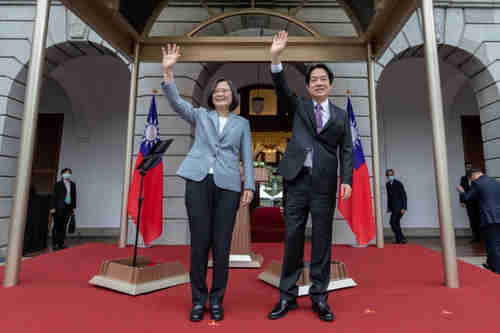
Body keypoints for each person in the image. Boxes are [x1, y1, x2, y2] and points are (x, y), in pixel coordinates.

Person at [161, 44, 255, 322]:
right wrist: (168, 71)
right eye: (217, 91)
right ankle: (198, 300)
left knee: (222, 245)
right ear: (211, 97)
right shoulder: (201, 115)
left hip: (228, 186)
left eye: (225, 90)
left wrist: (249, 184)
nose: (221, 93)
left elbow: (247, 156)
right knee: (200, 243)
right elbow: (177, 104)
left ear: (232, 96)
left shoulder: (242, 124)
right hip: (198, 181)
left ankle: (217, 300)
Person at [267, 31, 353, 322]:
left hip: (325, 184)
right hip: (296, 181)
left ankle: (319, 297)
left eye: (323, 80)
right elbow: (281, 88)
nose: (318, 83)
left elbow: (348, 149)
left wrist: (347, 180)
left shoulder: (341, 116)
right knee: (292, 238)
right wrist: (276, 56)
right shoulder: (300, 107)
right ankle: (287, 296)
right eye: (314, 79)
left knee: (322, 240)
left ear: (329, 86)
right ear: (308, 85)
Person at [457, 169, 500, 274]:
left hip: (489, 218)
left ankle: (497, 269)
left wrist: (461, 192)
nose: (471, 181)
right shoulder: (495, 181)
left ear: (474, 175)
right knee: (496, 243)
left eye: (471, 179)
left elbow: (467, 198)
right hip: (498, 216)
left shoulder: (477, 183)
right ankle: (490, 264)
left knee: (492, 244)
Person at [49, 168, 76, 251]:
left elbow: (74, 196)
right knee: (57, 226)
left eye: (69, 173)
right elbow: (54, 196)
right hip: (58, 208)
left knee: (64, 226)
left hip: (68, 207)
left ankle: (61, 243)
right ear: (62, 174)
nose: (67, 174)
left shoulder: (73, 184)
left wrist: (74, 208)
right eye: (66, 173)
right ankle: (54, 244)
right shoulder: (58, 184)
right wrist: (52, 207)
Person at [459, 162, 481, 243]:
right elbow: (461, 190)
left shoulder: (476, 177)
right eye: (467, 167)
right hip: (469, 203)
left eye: (470, 167)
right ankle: (476, 238)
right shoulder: (463, 178)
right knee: (472, 220)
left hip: (479, 202)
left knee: (480, 219)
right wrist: (462, 201)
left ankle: (483, 237)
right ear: (465, 168)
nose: (468, 168)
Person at [385, 169, 408, 244]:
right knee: (396, 223)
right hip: (393, 208)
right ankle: (399, 239)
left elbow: (404, 196)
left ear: (393, 175)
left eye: (391, 175)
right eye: (388, 175)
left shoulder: (398, 183)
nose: (390, 176)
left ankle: (401, 237)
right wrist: (388, 207)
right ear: (386, 176)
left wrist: (404, 208)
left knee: (392, 223)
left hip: (400, 208)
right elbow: (389, 197)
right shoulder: (387, 184)